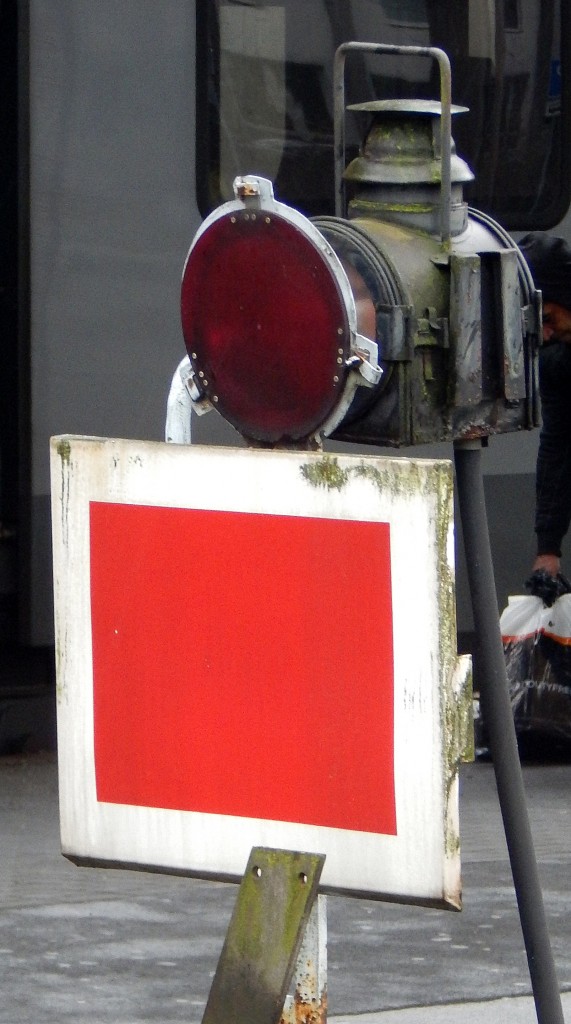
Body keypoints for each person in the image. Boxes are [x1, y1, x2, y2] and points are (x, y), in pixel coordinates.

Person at [518, 232, 571, 605]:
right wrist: (547, 547)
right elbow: (557, 447)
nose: (546, 332)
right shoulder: (557, 363)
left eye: (549, 317)